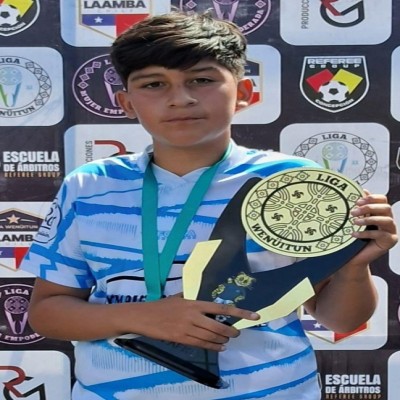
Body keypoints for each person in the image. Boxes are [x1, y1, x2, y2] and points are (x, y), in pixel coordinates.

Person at [21, 11, 397, 400]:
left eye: (201, 80)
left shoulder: (292, 182)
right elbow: (48, 313)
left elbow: (341, 320)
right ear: (126, 103)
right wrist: (144, 317)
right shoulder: (89, 185)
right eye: (154, 84)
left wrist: (353, 264)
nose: (180, 98)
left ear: (245, 92)